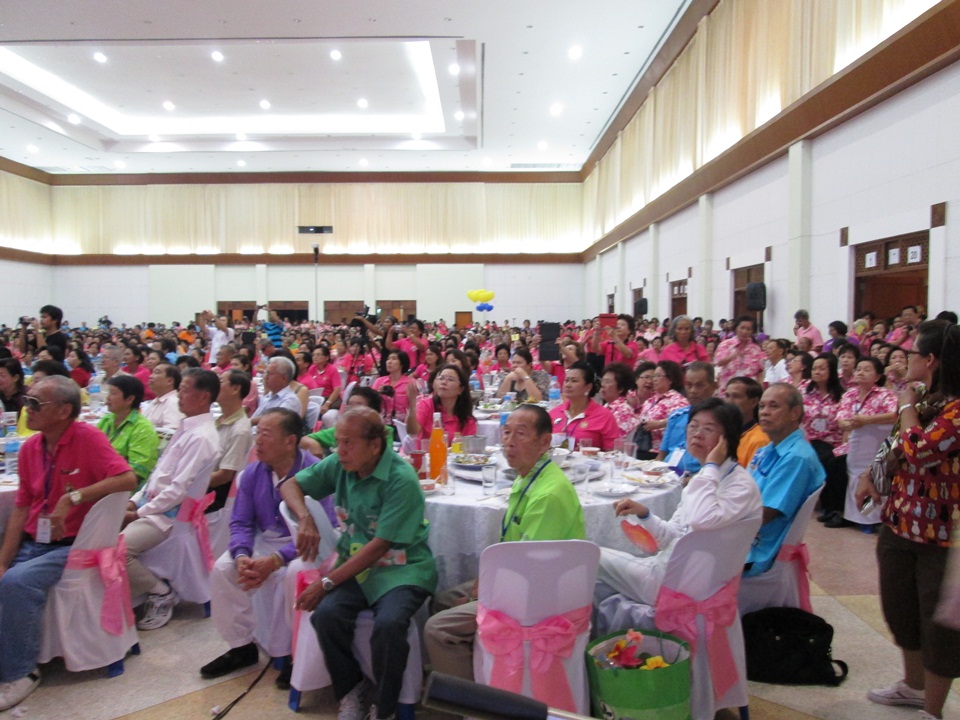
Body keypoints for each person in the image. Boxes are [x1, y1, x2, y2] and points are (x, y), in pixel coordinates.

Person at [281, 407, 437, 720]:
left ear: (375, 445)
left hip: (401, 569)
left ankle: (385, 706)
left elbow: (380, 546)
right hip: (356, 565)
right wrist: (305, 517)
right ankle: (351, 688)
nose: (340, 450)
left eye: (348, 443)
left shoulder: (401, 478)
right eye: (338, 442)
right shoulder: (341, 464)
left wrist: (326, 582)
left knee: (389, 625)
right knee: (327, 617)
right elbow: (289, 486)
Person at [0, 376, 136, 711]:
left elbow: (127, 478)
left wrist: (73, 497)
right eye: (27, 401)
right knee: (7, 573)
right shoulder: (31, 447)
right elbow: (21, 507)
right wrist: (3, 559)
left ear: (64, 411)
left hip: (73, 546)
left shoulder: (87, 438)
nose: (27, 409)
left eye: (35, 404)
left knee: (17, 582)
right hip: (35, 539)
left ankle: (21, 672)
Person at [424, 404, 586, 680]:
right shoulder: (529, 477)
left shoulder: (548, 494)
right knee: (440, 600)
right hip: (518, 579)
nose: (509, 442)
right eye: (506, 432)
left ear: (545, 441)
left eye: (520, 434)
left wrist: (483, 595)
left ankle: (471, 699)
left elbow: (531, 571)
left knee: (438, 629)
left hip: (540, 596)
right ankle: (475, 674)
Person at [855, 321, 960, 719]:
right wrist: (871, 474)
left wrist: (904, 404)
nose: (906, 358)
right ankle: (913, 686)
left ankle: (932, 710)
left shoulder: (954, 408)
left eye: (912, 352)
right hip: (900, 520)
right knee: (900, 610)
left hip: (943, 535)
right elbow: (896, 443)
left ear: (930, 360)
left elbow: (921, 449)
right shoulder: (922, 399)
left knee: (938, 627)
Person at [201, 408, 326, 688]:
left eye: (266, 434)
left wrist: (277, 559)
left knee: (289, 574)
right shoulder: (252, 473)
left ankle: (294, 653)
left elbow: (325, 529)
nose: (257, 441)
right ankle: (241, 646)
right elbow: (241, 521)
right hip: (264, 541)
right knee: (223, 569)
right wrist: (242, 555)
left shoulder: (315, 473)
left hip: (306, 547)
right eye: (258, 433)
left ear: (290, 441)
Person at [595, 398, 762, 604]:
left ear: (727, 439)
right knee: (597, 577)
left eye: (708, 429)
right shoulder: (704, 479)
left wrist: (710, 466)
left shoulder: (738, 485)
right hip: (674, 570)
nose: (697, 434)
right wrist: (644, 514)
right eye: (693, 426)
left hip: (679, 582)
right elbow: (670, 538)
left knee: (589, 556)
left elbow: (701, 520)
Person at [121, 368, 221, 630]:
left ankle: (160, 592)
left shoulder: (201, 437)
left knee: (117, 549)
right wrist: (135, 501)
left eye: (185, 390)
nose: (179, 396)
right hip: (152, 505)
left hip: (167, 516)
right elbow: (158, 474)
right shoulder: (187, 427)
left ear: (204, 397)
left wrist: (139, 512)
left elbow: (178, 491)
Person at [745, 383, 825, 576]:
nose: (764, 412)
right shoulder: (767, 449)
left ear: (794, 413)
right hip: (747, 536)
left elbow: (764, 515)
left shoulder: (796, 457)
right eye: (762, 406)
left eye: (773, 406)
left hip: (757, 550)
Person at [825, 357, 897, 530]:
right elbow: (841, 420)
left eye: (866, 369)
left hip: (879, 443)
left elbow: (894, 415)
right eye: (858, 369)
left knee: (875, 474)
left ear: (877, 376)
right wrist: (849, 424)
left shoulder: (885, 394)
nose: (861, 372)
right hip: (855, 443)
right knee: (840, 468)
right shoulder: (849, 394)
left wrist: (867, 420)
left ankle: (874, 518)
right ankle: (851, 514)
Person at [655, 362, 718, 474]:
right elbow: (661, 456)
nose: (693, 391)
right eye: (689, 385)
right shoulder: (676, 416)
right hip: (665, 475)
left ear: (713, 386)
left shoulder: (720, 420)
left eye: (699, 386)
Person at [96, 374, 159, 487]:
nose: (108, 397)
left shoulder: (143, 428)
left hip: (121, 489)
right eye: (109, 392)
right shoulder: (106, 420)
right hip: (99, 479)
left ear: (129, 399)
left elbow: (136, 474)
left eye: (113, 393)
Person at [206, 369, 254, 513]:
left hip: (212, 497)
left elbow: (225, 476)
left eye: (221, 381)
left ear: (235, 389)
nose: (215, 386)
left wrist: (190, 484)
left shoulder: (240, 429)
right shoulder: (219, 419)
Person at [548, 361, 621, 451]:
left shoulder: (604, 416)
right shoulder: (554, 413)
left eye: (574, 381)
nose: (568, 385)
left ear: (588, 387)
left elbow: (612, 452)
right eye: (566, 380)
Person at [301, 387, 394, 457]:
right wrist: (315, 449)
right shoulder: (341, 430)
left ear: (373, 411)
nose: (352, 410)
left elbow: (384, 457)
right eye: (350, 405)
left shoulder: (384, 432)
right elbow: (304, 440)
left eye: (358, 406)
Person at [405, 363, 478, 441]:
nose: (444, 382)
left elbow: (469, 446)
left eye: (450, 379)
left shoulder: (467, 420)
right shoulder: (427, 405)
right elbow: (412, 431)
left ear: (461, 389)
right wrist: (412, 407)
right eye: (441, 378)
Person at [637, 360, 689, 458]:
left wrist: (659, 424)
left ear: (670, 379)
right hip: (643, 447)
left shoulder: (678, 400)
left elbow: (681, 421)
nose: (654, 380)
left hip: (663, 452)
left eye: (658, 376)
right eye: (654, 376)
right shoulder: (650, 400)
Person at [724, 377, 769, 468]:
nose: (729, 402)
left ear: (753, 402)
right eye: (727, 396)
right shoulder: (723, 432)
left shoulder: (759, 440)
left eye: (736, 396)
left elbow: (752, 475)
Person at [714, 315, 765, 390]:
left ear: (752, 331)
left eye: (748, 329)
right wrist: (732, 356)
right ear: (736, 328)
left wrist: (760, 386)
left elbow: (760, 371)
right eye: (742, 328)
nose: (744, 331)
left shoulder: (755, 348)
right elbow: (719, 363)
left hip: (749, 390)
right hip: (728, 388)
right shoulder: (725, 344)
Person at [251, 357, 301, 426]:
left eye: (269, 373)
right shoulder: (268, 396)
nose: (265, 377)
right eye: (265, 372)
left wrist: (247, 423)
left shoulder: (290, 400)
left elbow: (274, 421)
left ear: (283, 378)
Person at [599, 363, 641, 437]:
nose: (602, 385)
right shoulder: (605, 406)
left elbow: (617, 440)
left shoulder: (624, 411)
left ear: (620, 389)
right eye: (603, 381)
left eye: (607, 381)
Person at [371, 350, 413, 424]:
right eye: (388, 359)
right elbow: (371, 402)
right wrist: (377, 394)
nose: (389, 362)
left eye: (394, 359)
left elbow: (415, 407)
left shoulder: (411, 383)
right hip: (381, 424)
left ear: (402, 364)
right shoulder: (379, 381)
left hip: (402, 424)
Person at [143, 363, 186, 429]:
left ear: (169, 381)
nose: (150, 376)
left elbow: (172, 431)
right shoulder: (156, 401)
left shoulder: (174, 402)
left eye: (156, 372)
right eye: (152, 372)